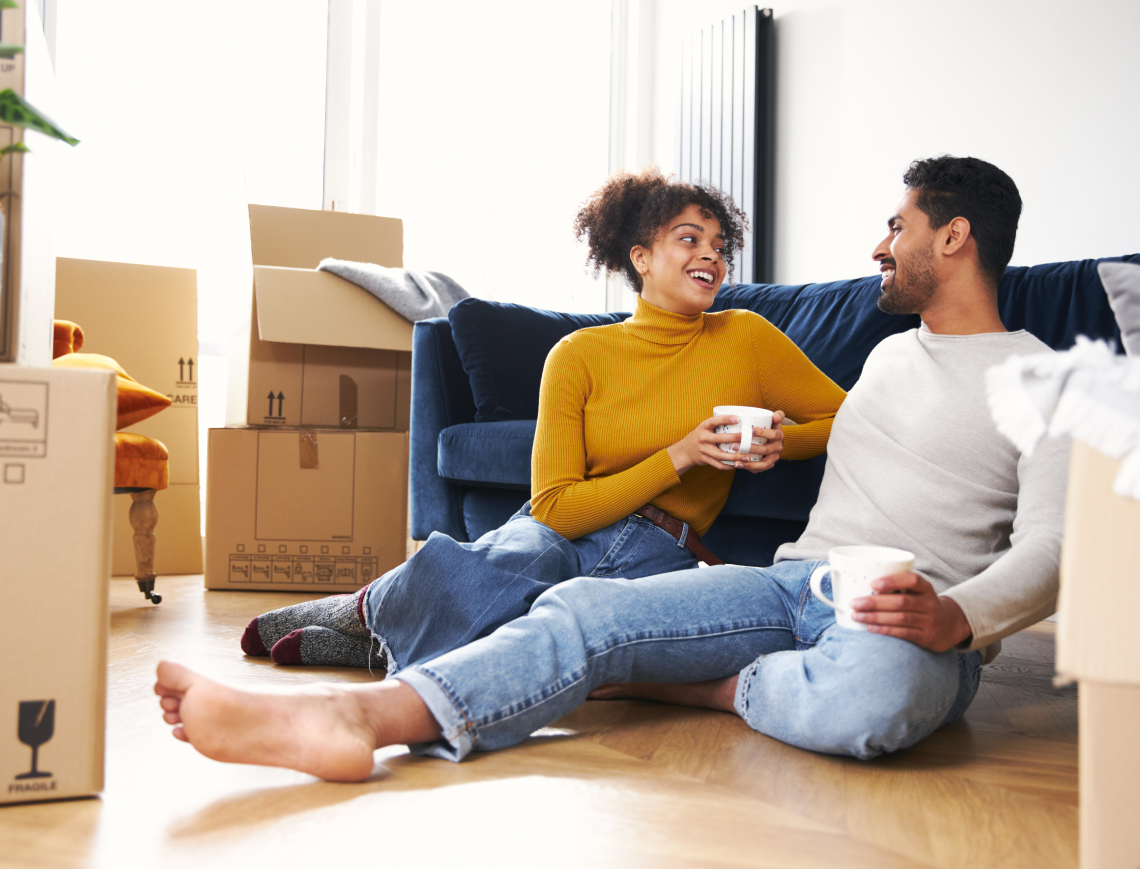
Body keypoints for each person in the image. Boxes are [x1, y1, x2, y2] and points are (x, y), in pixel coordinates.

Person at [153, 155, 1063, 780]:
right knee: (572, 601)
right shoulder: (887, 361)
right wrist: (765, 442)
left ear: (952, 238)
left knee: (878, 701)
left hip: (907, 623)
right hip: (787, 584)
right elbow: (827, 426)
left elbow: (1060, 545)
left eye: (895, 226)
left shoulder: (1049, 381)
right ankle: (357, 719)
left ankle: (684, 680)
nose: (877, 246)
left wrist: (957, 617)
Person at [237, 168, 846, 672]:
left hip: (663, 543)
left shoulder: (746, 337)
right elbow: (554, 508)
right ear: (641, 257)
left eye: (718, 244)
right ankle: (367, 616)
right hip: (563, 525)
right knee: (524, 558)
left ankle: (372, 627)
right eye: (690, 239)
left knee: (548, 612)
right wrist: (680, 455)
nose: (710, 254)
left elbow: (849, 417)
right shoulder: (579, 354)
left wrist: (780, 442)